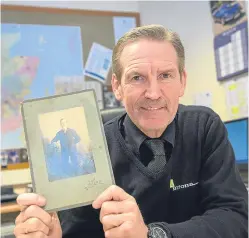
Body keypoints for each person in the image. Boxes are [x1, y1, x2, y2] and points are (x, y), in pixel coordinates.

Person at [14, 25, 248, 238]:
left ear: (182, 81)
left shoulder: (203, 127)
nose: (153, 93)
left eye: (165, 75)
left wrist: (152, 234)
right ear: (117, 86)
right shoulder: (94, 148)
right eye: (137, 78)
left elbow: (236, 218)